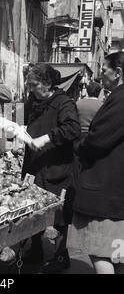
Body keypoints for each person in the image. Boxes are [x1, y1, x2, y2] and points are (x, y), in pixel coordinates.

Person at [68, 52, 124, 274]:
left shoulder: (121, 98)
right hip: (115, 188)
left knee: (100, 251)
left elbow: (99, 139)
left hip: (107, 188)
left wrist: (80, 146)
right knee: (116, 254)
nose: (100, 75)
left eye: (104, 70)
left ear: (117, 72)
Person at [22, 63, 81, 273]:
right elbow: (27, 122)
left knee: (59, 212)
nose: (31, 89)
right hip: (35, 164)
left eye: (34, 85)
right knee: (33, 208)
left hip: (58, 166)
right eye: (28, 85)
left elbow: (72, 129)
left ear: (47, 83)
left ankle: (61, 255)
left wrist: (46, 139)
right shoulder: (33, 101)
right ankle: (36, 249)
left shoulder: (64, 103)